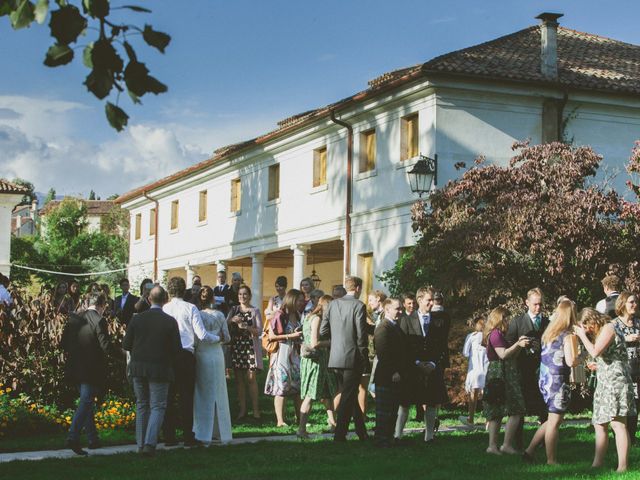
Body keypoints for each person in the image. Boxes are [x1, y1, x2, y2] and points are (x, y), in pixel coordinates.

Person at [122, 285, 182, 457]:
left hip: (138, 367)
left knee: (142, 404)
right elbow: (176, 349)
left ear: (149, 299)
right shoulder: (170, 321)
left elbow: (126, 345)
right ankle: (149, 443)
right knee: (157, 406)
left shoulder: (136, 319)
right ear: (165, 300)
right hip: (160, 368)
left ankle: (140, 444)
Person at [162, 276, 222, 447]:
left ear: (169, 291)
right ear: (184, 290)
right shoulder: (191, 308)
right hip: (186, 354)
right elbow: (201, 334)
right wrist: (217, 338)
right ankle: (188, 435)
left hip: (168, 355)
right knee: (186, 396)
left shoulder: (165, 309)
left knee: (169, 396)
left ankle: (169, 436)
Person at [575, 308, 636, 473]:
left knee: (617, 424)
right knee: (599, 423)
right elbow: (600, 355)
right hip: (604, 382)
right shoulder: (602, 331)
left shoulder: (609, 327)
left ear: (591, 320)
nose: (586, 331)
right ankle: (597, 464)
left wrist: (581, 335)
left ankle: (622, 467)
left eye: (585, 327)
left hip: (616, 382)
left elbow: (595, 351)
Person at [523, 300, 579, 464]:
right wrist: (581, 357)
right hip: (558, 382)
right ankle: (551, 460)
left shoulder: (549, 334)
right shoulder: (568, 336)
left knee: (551, 419)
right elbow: (570, 361)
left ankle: (529, 451)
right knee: (554, 422)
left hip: (546, 381)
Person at [395, 286, 449, 443]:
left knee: (431, 401)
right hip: (412, 367)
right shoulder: (405, 320)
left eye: (432, 300)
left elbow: (441, 345)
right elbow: (403, 346)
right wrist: (417, 363)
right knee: (405, 402)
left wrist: (433, 363)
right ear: (419, 300)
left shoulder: (439, 320)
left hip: (432, 366)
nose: (432, 303)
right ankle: (398, 434)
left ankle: (429, 436)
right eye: (429, 300)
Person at [61, 290, 112, 455]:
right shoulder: (99, 320)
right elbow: (106, 347)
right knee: (86, 402)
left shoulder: (75, 318)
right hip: (90, 369)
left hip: (74, 366)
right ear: (102, 305)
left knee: (86, 402)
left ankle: (92, 439)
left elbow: (63, 343)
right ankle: (73, 436)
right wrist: (126, 355)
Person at [320, 276, 369, 442]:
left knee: (350, 394)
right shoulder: (358, 305)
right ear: (357, 288)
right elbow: (362, 336)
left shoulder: (333, 305)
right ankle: (339, 434)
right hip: (352, 357)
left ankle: (361, 432)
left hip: (335, 357)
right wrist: (364, 356)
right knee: (348, 396)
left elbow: (323, 330)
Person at [483, 306, 530, 455]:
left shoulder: (499, 335)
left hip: (504, 373)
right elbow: (503, 354)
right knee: (514, 409)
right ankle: (504, 445)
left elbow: (511, 355)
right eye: (506, 318)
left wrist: (520, 345)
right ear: (500, 319)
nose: (509, 321)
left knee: (498, 411)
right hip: (501, 374)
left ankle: (494, 446)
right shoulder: (496, 334)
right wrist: (517, 344)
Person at [506, 287, 549, 448]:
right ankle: (517, 442)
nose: (538, 308)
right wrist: (520, 345)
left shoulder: (547, 322)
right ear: (527, 303)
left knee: (543, 405)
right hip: (522, 369)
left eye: (540, 304)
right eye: (535, 304)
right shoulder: (517, 322)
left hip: (542, 369)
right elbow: (509, 345)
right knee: (520, 407)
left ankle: (544, 441)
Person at [193, 286, 232, 445]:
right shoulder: (220, 315)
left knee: (203, 393)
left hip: (202, 354)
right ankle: (221, 431)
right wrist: (218, 338)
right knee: (219, 392)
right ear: (213, 299)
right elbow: (227, 337)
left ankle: (202, 432)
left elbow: (196, 339)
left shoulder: (197, 315)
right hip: (216, 353)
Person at [298, 295, 337, 438]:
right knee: (310, 395)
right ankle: (301, 429)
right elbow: (314, 343)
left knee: (327, 395)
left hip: (320, 361)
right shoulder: (317, 319)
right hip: (316, 362)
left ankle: (333, 424)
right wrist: (333, 342)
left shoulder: (308, 317)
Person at [265, 289, 304, 426]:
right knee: (281, 386)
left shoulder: (298, 315)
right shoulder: (280, 315)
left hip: (295, 354)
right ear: (292, 300)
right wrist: (290, 336)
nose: (301, 303)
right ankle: (280, 421)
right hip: (281, 354)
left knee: (298, 387)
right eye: (299, 300)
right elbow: (272, 336)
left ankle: (300, 418)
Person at [373, 297, 409, 447]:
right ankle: (381, 439)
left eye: (401, 309)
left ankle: (389, 438)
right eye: (397, 309)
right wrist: (393, 371)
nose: (400, 311)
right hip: (386, 376)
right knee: (384, 411)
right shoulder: (383, 327)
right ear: (387, 309)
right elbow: (382, 352)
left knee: (393, 410)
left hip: (396, 376)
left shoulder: (395, 326)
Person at [227, 284, 263, 420]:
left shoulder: (255, 311)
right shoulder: (234, 309)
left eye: (245, 294)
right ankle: (242, 410)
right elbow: (225, 324)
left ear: (249, 296)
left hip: (250, 347)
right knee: (239, 381)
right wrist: (232, 320)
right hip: (237, 347)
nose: (242, 296)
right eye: (240, 294)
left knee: (251, 379)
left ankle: (256, 410)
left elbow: (259, 331)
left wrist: (246, 327)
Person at [610, 291, 640, 443]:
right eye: (631, 302)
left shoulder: (638, 323)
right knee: (622, 404)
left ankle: (632, 437)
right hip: (621, 370)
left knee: (635, 403)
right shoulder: (614, 324)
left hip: (637, 371)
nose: (635, 305)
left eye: (635, 302)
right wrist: (626, 339)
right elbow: (608, 345)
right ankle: (621, 438)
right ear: (622, 304)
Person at [459, 316, 488, 426]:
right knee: (486, 394)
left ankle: (470, 418)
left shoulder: (471, 337)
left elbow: (465, 352)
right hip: (486, 367)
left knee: (473, 394)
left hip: (475, 369)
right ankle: (488, 420)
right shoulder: (488, 337)